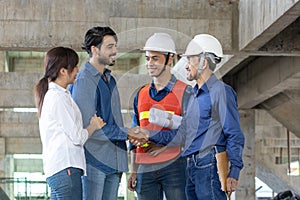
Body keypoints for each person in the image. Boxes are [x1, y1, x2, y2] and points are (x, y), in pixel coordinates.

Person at [136, 34, 245, 200]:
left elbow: (234, 133)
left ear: (203, 62)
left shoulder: (220, 92)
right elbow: (181, 135)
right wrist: (147, 133)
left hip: (210, 163)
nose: (186, 66)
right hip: (192, 165)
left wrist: (234, 171)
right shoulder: (194, 96)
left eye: (190, 60)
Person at [70, 26, 148, 200]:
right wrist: (127, 132)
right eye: (110, 47)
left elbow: (113, 121)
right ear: (94, 49)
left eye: (115, 46)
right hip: (94, 162)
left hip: (114, 161)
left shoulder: (110, 79)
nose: (115, 51)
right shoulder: (84, 80)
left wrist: (128, 134)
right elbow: (88, 127)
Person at [127, 33, 193, 200]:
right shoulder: (140, 94)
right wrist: (133, 170)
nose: (150, 63)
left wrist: (162, 147)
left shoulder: (185, 92)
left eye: (155, 58)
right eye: (148, 58)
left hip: (174, 166)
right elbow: (135, 135)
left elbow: (188, 133)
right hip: (144, 169)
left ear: (170, 59)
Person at [34, 47, 105, 200]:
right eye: (74, 66)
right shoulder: (58, 97)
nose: (77, 70)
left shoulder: (58, 95)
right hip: (66, 168)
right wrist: (93, 126)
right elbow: (77, 137)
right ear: (63, 71)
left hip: (61, 170)